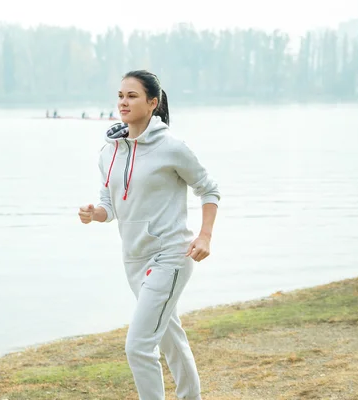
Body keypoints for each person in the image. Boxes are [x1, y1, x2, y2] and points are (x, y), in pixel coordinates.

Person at [78, 70, 220, 400]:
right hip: (134, 260)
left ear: (152, 103)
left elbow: (209, 190)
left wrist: (205, 236)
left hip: (170, 256)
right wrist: (94, 214)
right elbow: (108, 205)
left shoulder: (172, 148)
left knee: (139, 347)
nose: (123, 102)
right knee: (171, 337)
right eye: (120, 96)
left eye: (132, 96)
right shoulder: (108, 152)